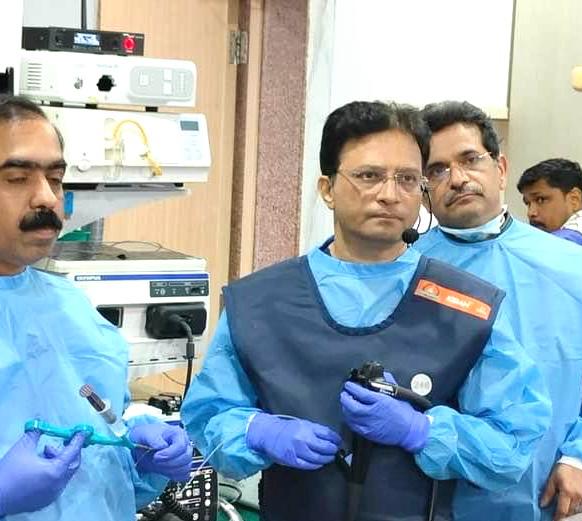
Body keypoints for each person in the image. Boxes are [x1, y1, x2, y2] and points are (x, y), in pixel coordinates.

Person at [181, 101, 551, 521]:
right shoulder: (261, 302)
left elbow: (511, 444)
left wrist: (422, 430)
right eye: (369, 176)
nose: (389, 195)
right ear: (327, 189)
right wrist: (257, 431)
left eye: (407, 179)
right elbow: (208, 417)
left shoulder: (465, 308)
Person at [414, 101, 582, 521]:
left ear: (500, 168)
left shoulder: (571, 265)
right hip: (443, 505)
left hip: (558, 497)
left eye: (470, 159)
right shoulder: (409, 274)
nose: (458, 178)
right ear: (424, 187)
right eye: (438, 169)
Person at [0, 95, 193, 520]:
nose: (46, 198)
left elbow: (105, 457)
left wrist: (139, 453)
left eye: (55, 178)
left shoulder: (71, 308)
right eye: (17, 178)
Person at [517, 158, 582, 290]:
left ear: (574, 199)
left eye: (540, 200)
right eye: (528, 203)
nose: (531, 213)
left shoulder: (565, 243)